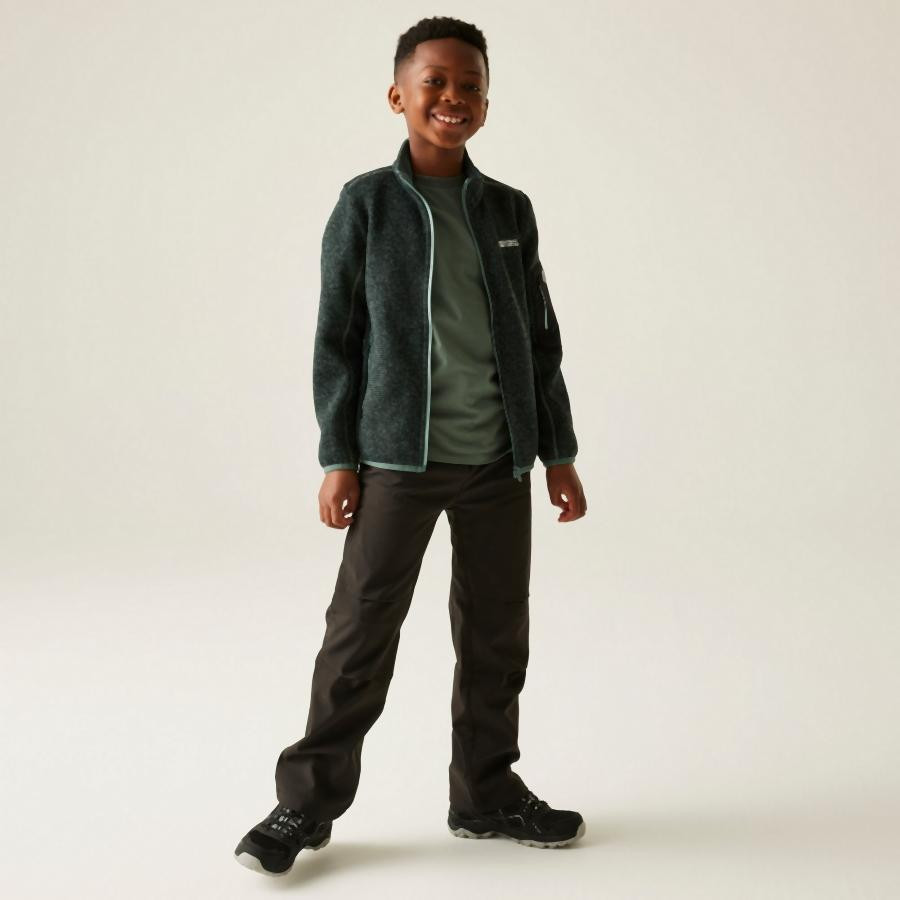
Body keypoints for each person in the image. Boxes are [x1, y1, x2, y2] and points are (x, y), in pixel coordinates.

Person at [234, 15, 588, 877]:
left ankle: (486, 796)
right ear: (399, 95)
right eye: (436, 82)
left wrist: (558, 451)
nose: (453, 97)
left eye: (470, 86)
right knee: (360, 633)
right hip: (398, 460)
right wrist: (338, 455)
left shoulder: (509, 210)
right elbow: (338, 338)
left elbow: (540, 339)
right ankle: (304, 806)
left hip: (499, 461)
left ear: (486, 103)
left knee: (497, 636)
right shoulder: (367, 204)